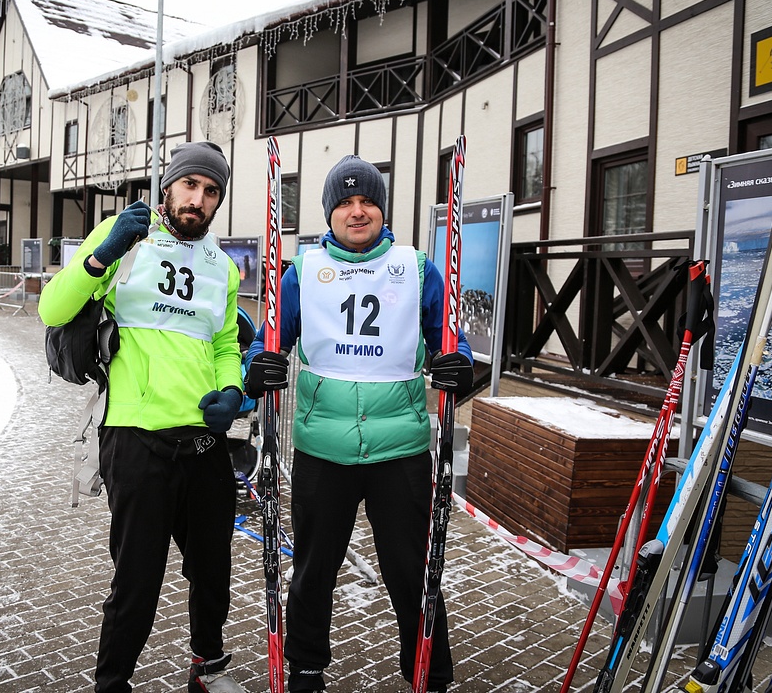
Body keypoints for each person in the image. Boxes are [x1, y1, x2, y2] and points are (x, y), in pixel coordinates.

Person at [244, 155, 475, 693]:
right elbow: (268, 341)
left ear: (381, 208)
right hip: (324, 448)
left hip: (402, 449)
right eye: (344, 203)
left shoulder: (415, 267)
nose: (356, 211)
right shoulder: (302, 271)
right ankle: (304, 669)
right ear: (329, 213)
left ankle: (429, 674)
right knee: (312, 569)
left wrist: (458, 364)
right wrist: (260, 366)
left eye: (366, 200)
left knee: (413, 573)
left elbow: (450, 339)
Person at [39, 141, 245, 693]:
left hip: (203, 441)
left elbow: (226, 343)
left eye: (210, 191)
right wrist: (102, 254)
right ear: (168, 185)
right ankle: (112, 683)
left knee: (212, 573)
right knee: (137, 579)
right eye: (189, 185)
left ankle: (208, 667)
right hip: (135, 437)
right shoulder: (126, 236)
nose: (197, 199)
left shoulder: (221, 267)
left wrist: (231, 389)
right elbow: (52, 308)